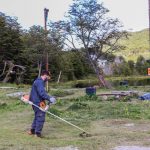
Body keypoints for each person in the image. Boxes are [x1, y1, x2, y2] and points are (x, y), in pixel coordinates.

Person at [27, 70, 56, 138]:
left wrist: (49, 96)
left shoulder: (37, 81)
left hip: (36, 101)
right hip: (38, 102)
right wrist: (49, 98)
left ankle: (32, 130)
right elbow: (42, 93)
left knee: (37, 116)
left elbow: (41, 93)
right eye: (48, 78)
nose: (47, 80)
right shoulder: (40, 82)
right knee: (41, 116)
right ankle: (37, 134)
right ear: (45, 75)